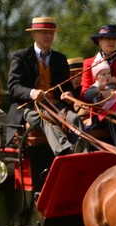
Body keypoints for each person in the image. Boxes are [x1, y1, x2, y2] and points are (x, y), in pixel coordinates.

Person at [7, 16, 84, 155]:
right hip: (29, 106)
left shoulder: (60, 59)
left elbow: (66, 86)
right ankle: (65, 152)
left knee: (74, 118)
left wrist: (68, 94)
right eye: (44, 33)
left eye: (51, 33)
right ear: (33, 35)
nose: (49, 36)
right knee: (45, 118)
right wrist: (32, 93)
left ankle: (83, 152)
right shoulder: (21, 56)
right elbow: (13, 87)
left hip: (55, 104)